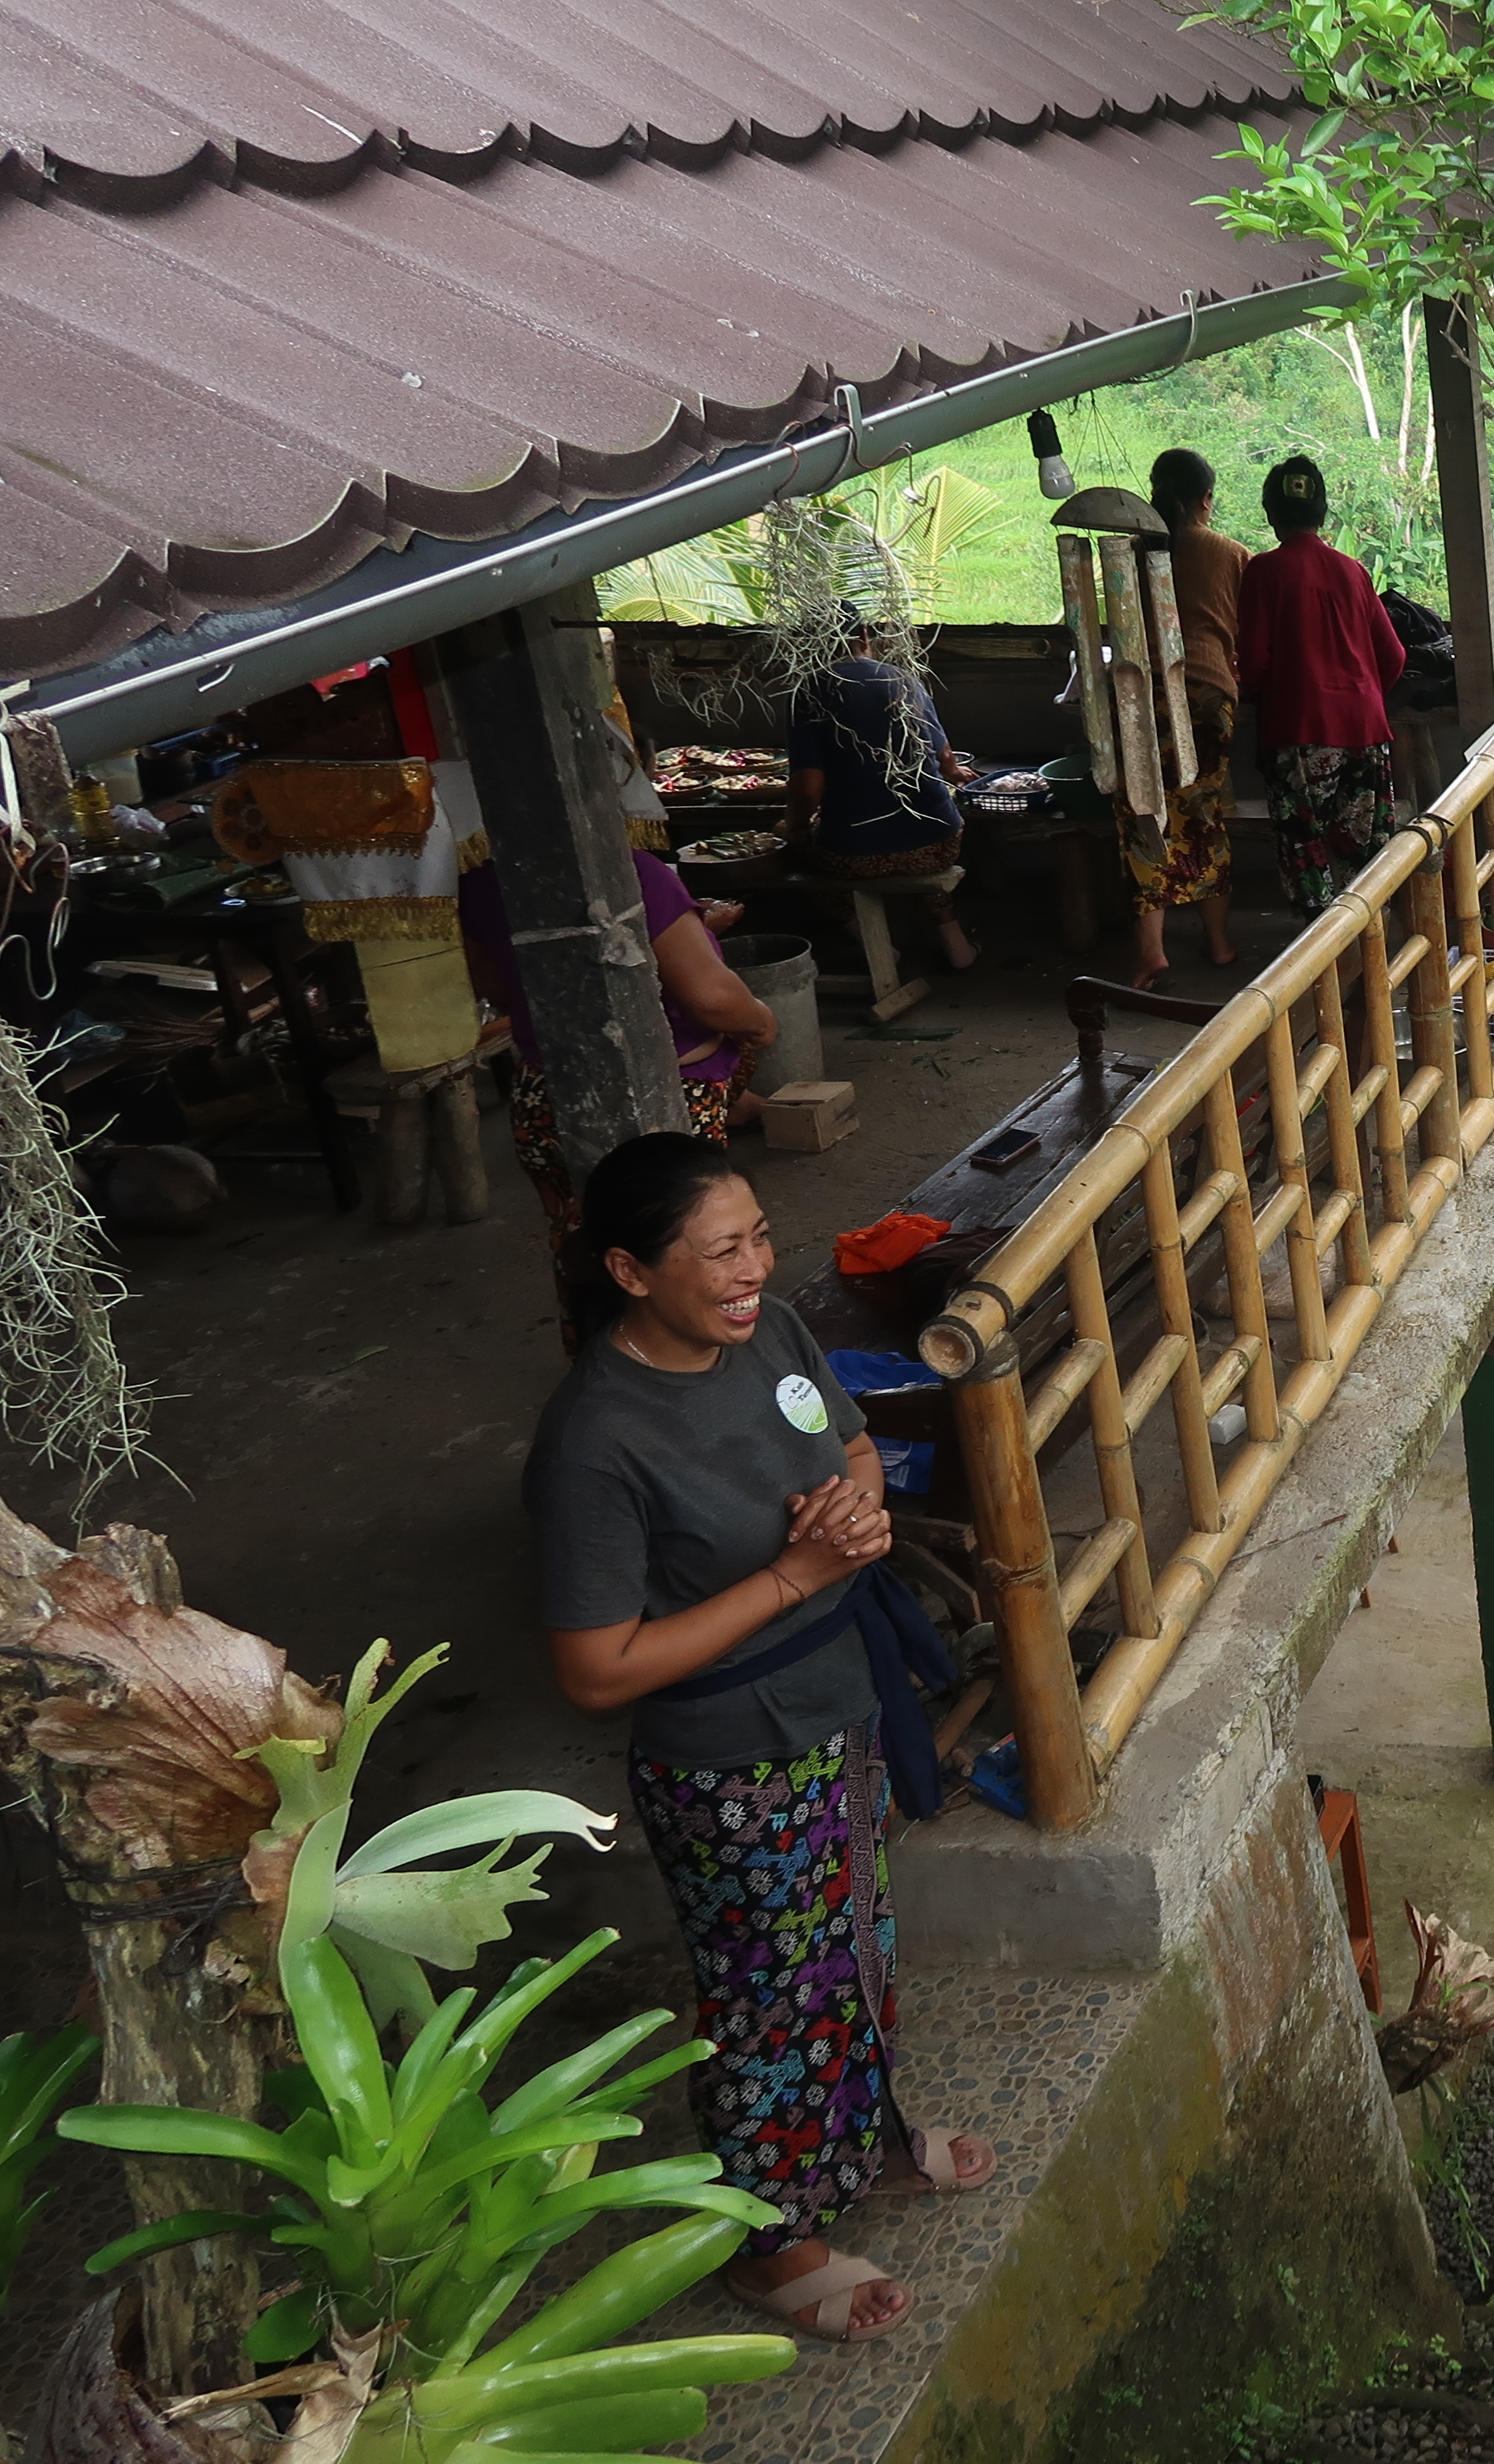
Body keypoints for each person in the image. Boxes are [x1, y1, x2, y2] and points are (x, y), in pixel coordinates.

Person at [524, 1135, 993, 2344]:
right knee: (763, 2001)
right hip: (731, 1757)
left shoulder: (769, 1331)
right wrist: (795, 1575)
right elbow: (595, 1667)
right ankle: (770, 2243)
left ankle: (863, 2143)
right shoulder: (595, 1440)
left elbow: (841, 1446)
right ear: (630, 1269)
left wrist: (855, 1504)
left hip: (840, 1702)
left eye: (759, 1237)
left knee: (854, 1946)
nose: (753, 1267)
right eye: (722, 1248)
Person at [457, 846, 777, 1327]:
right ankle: (691, 1363)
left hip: (543, 1096)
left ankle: (603, 1355)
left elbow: (492, 981)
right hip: (666, 1096)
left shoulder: (481, 882)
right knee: (688, 1245)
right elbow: (711, 998)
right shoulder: (631, 871)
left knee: (582, 1236)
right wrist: (762, 1024)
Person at [1233, 454, 1408, 919]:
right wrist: (1361, 693)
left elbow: (1253, 666)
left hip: (1298, 734)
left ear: (1270, 514)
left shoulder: (1264, 572)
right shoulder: (1353, 571)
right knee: (1365, 859)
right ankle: (1371, 967)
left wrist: (1276, 691)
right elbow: (1394, 657)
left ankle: (1324, 973)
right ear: (1322, 514)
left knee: (1308, 858)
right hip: (1366, 731)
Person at [784, 610, 979, 970]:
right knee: (921, 835)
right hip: (939, 843)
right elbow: (945, 756)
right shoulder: (905, 679)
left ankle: (875, 946)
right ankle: (957, 944)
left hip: (855, 855)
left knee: (795, 855)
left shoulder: (810, 689)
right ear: (863, 636)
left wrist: (793, 824)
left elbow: (810, 787)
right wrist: (953, 773)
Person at [1128, 449, 1243, 987]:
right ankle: (1218, 943)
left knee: (1143, 817)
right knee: (1203, 815)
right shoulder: (1228, 553)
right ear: (1205, 500)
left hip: (1138, 698)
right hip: (1206, 695)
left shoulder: (1133, 551)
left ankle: (1152, 952)